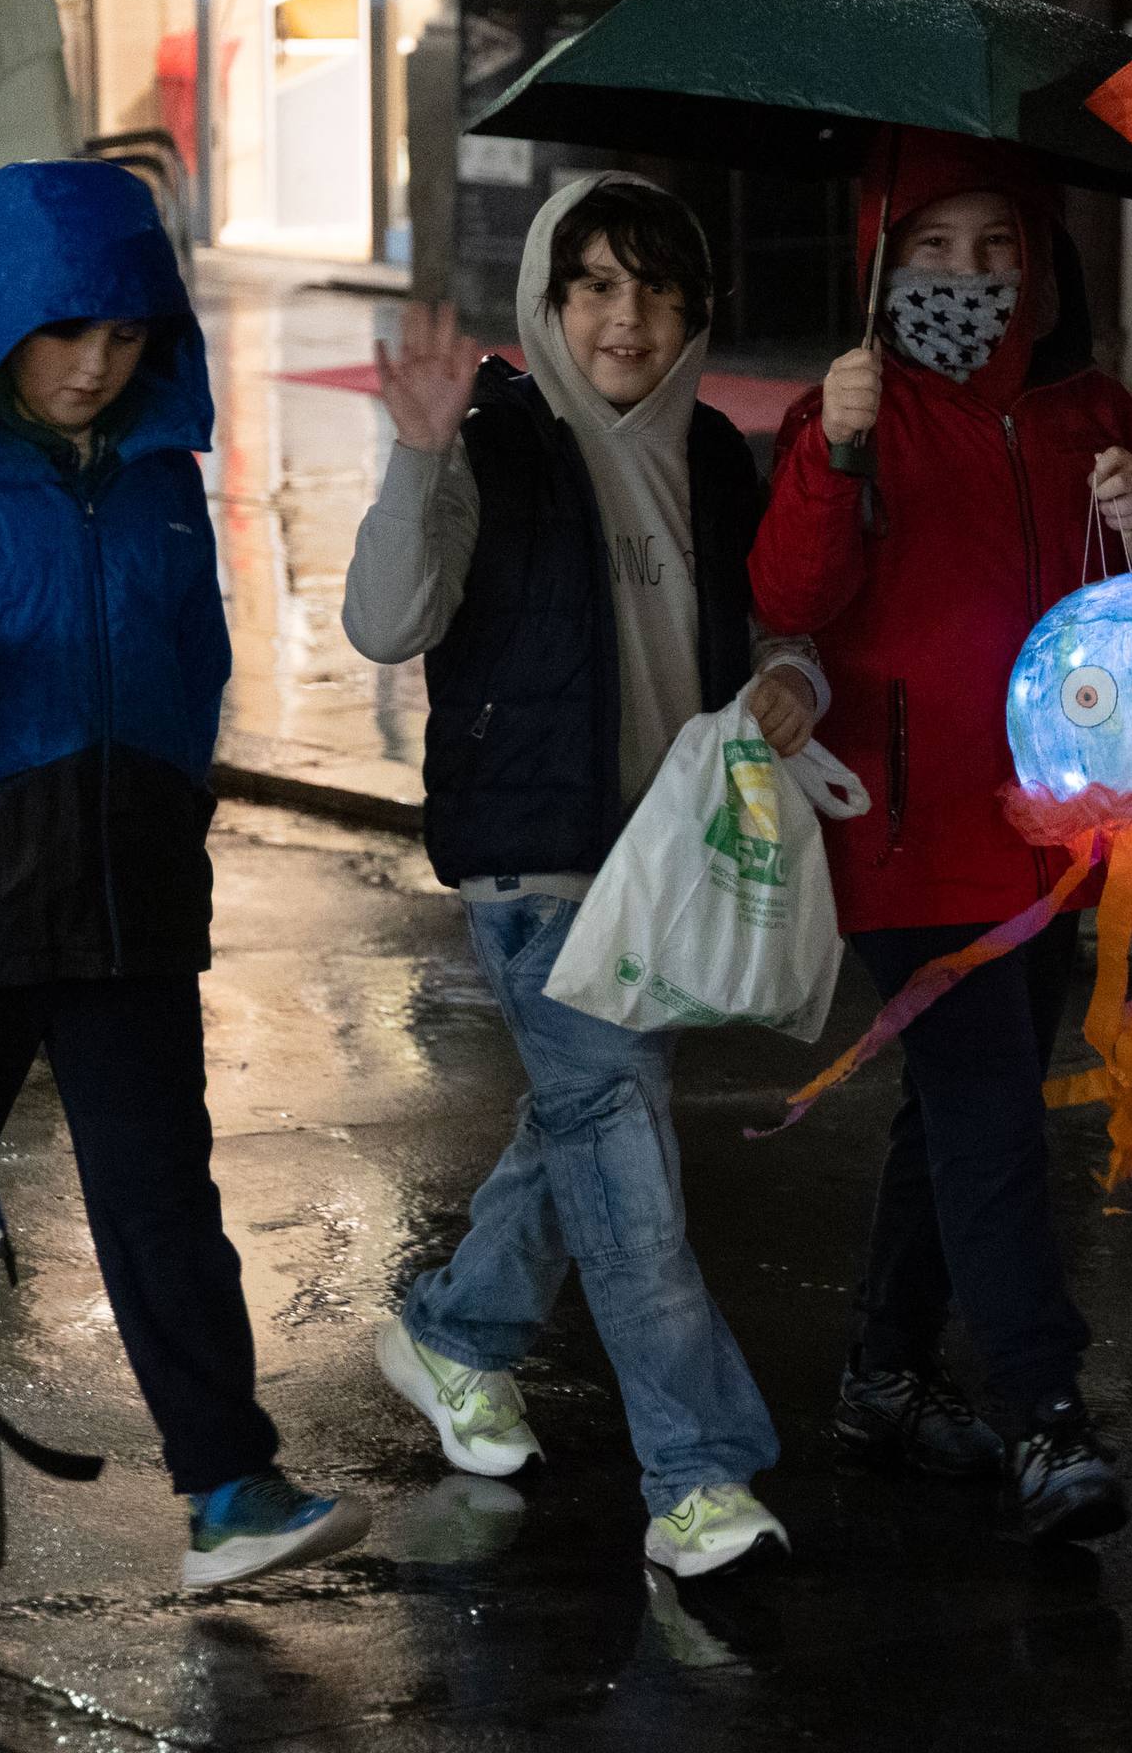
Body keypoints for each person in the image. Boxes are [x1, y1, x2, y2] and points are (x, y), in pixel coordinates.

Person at [0, 161, 367, 1590]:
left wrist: (175, 808)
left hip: (127, 891)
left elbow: (191, 660)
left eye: (125, 333)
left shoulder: (160, 478)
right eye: (63, 331)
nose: (96, 364)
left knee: (162, 1193)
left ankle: (228, 1481)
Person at [751, 130, 1132, 1544]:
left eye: (996, 246)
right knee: (988, 1119)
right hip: (906, 839)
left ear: (1040, 263)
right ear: (880, 261)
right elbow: (788, 593)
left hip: (1058, 832)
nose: (966, 274)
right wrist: (832, 450)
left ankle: (884, 1376)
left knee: (960, 1110)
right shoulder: (849, 411)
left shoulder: (1092, 409)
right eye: (931, 248)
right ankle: (1043, 1411)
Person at [341, 173, 823, 1581]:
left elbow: (773, 628)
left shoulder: (716, 455)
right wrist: (417, 457)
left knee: (585, 1131)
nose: (628, 317)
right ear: (547, 302)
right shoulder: (492, 441)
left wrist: (793, 676)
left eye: (658, 288)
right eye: (595, 285)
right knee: (625, 1162)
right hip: (534, 858)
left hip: (667, 867)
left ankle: (453, 1334)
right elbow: (384, 620)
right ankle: (696, 1478)